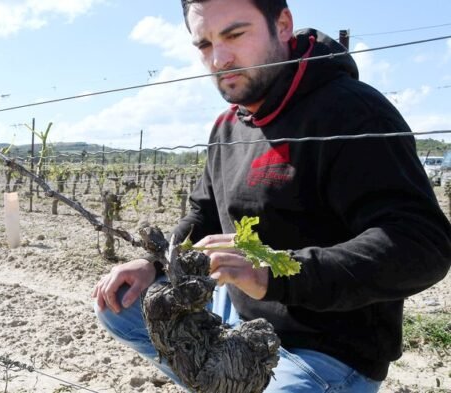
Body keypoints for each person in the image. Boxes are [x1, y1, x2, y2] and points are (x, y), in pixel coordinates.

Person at [92, 0, 451, 391]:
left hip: (322, 347)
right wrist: (155, 263)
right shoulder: (227, 127)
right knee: (122, 304)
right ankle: (224, 377)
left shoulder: (353, 112)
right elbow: (205, 213)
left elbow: (421, 245)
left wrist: (273, 271)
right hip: (233, 320)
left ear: (282, 25)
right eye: (205, 45)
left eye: (234, 34)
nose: (219, 59)